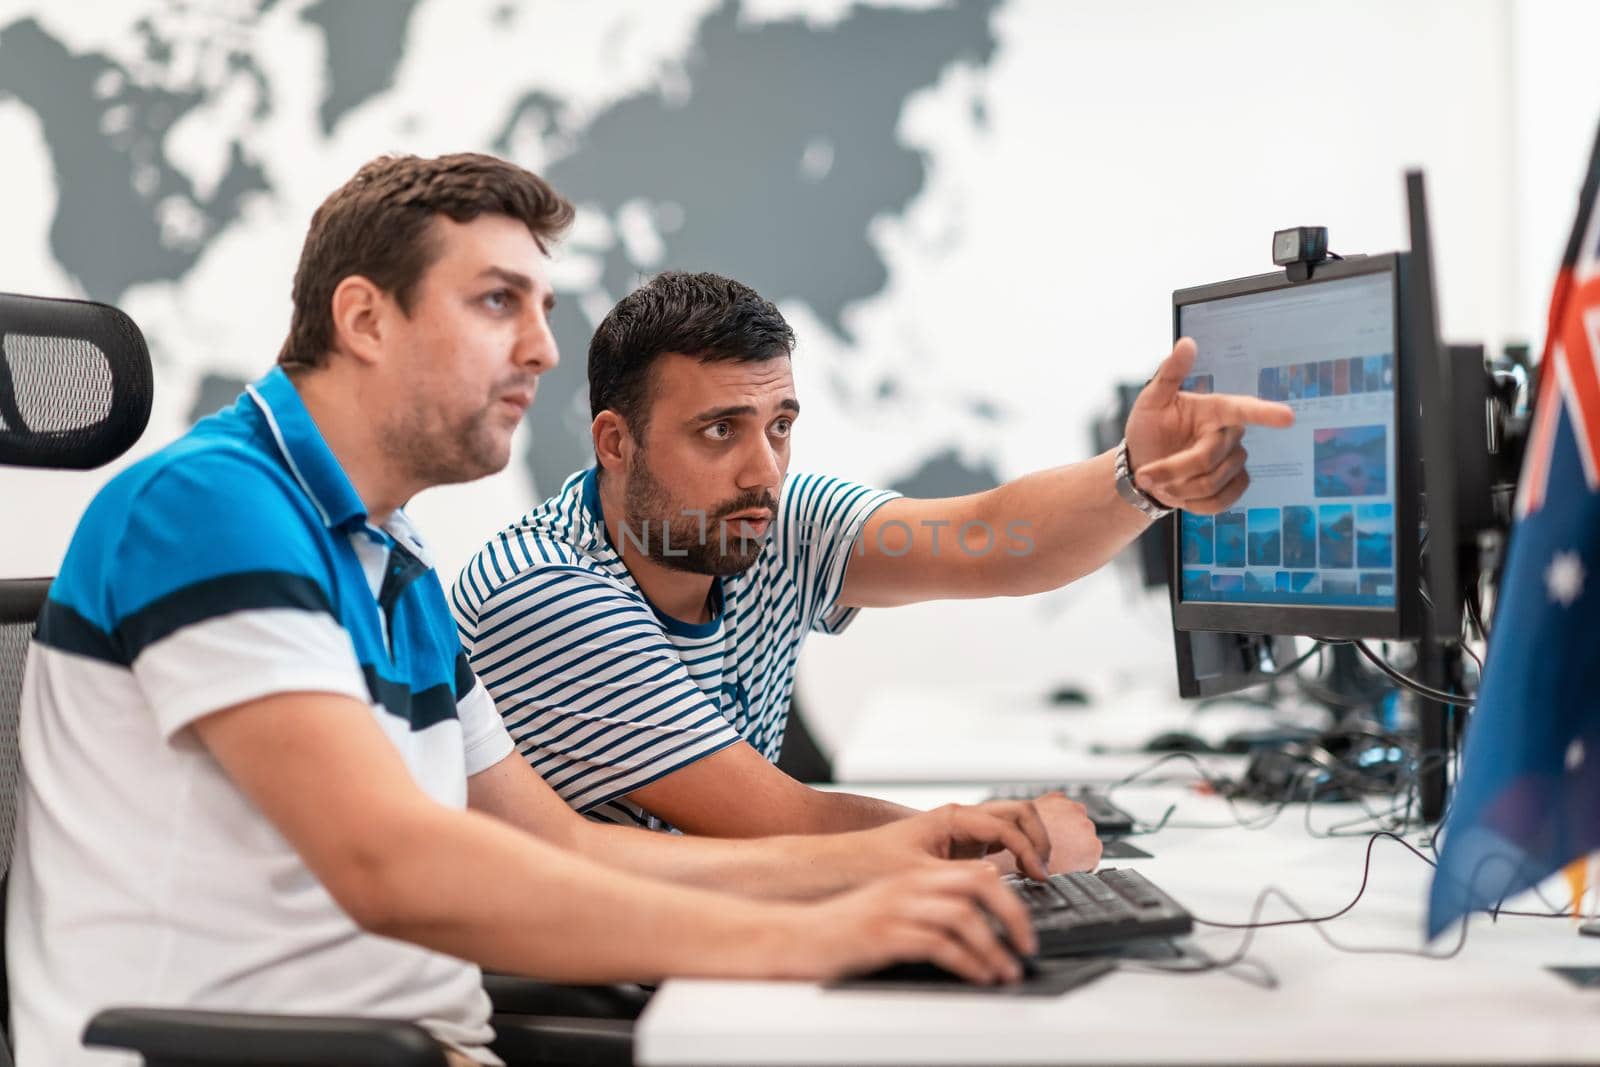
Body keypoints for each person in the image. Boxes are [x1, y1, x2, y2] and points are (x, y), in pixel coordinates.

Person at [8, 155, 1072, 1067]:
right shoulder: (210, 508)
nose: (542, 350)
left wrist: (899, 855)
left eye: (542, 310)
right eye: (495, 303)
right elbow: (392, 866)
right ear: (366, 317)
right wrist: (809, 935)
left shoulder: (390, 558)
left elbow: (568, 846)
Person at [452, 271, 1294, 843]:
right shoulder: (548, 593)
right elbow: (780, 823)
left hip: (721, 937)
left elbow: (996, 539)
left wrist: (1135, 479)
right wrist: (993, 840)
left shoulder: (768, 520)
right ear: (615, 442)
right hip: (615, 989)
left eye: (778, 425)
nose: (764, 469)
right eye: (720, 431)